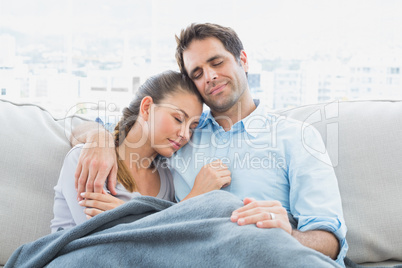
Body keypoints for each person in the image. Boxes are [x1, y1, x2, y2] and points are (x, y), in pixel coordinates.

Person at [71, 23, 348, 266]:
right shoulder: (182, 133)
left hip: (269, 254)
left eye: (217, 63)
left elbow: (330, 242)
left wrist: (288, 233)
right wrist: (100, 139)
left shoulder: (296, 137)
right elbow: (94, 127)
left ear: (243, 60)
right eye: (197, 73)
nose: (210, 77)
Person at [51, 70, 231, 233]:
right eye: (178, 118)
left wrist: (125, 216)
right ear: (146, 108)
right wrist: (194, 198)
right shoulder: (88, 157)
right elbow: (102, 240)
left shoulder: (167, 175)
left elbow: (165, 245)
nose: (185, 134)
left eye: (192, 127)